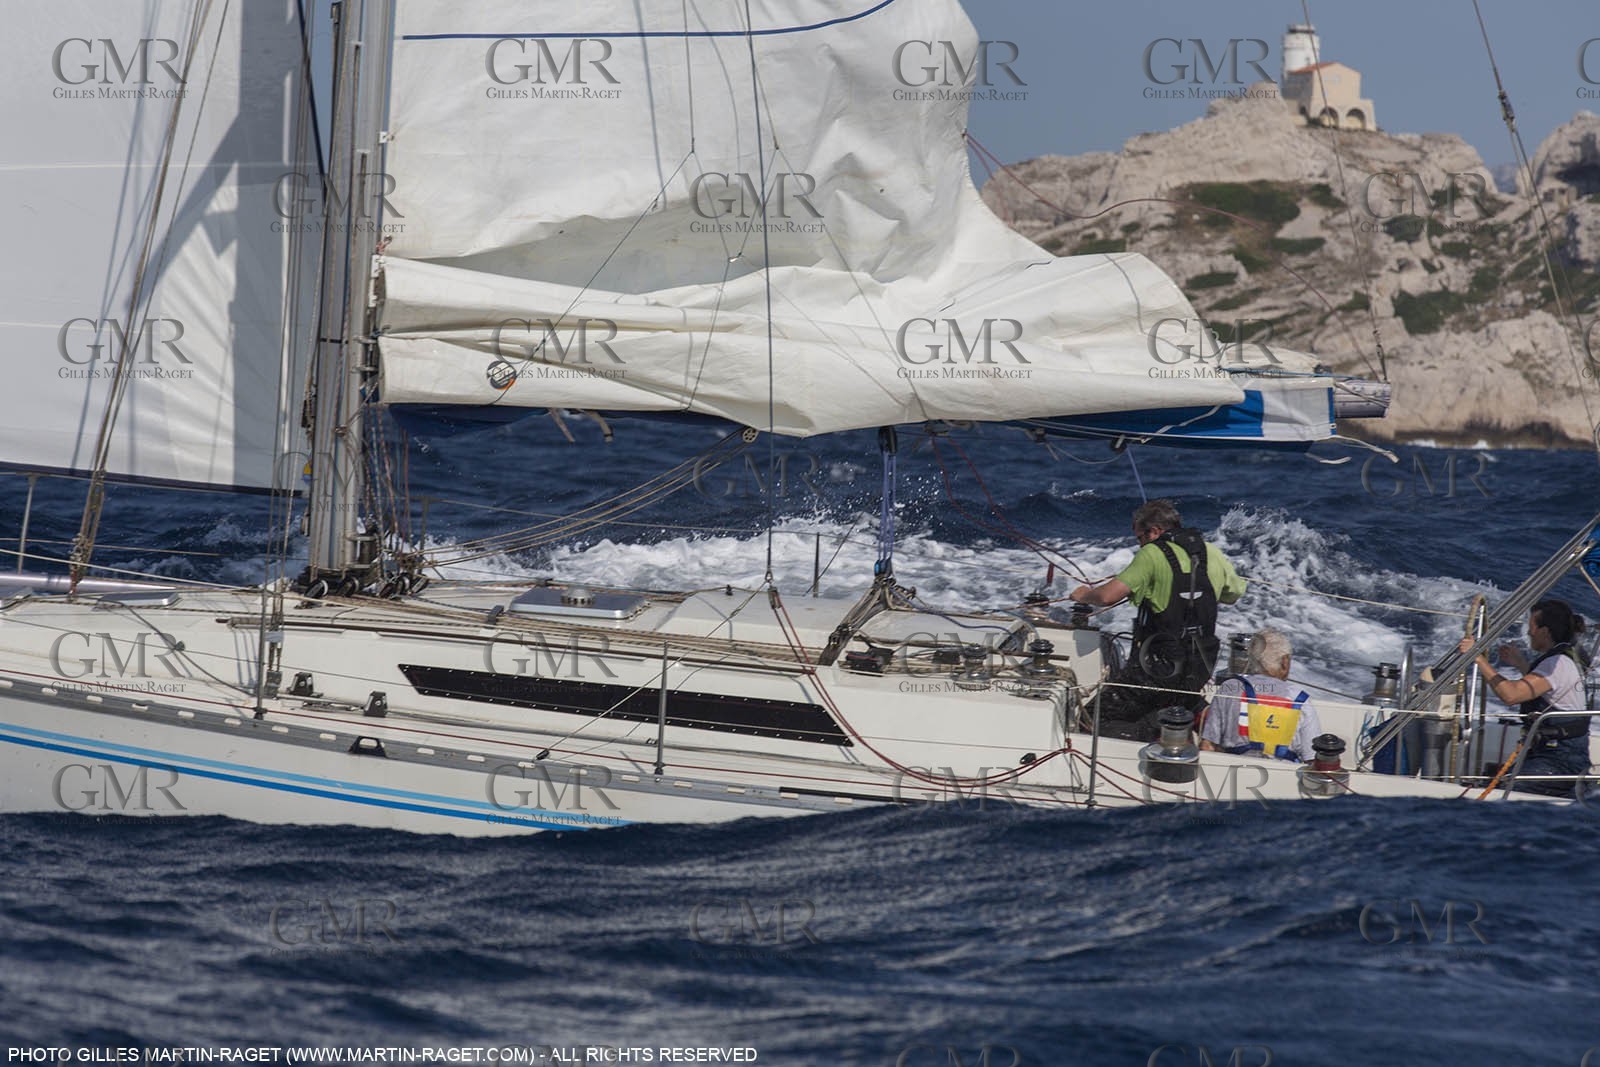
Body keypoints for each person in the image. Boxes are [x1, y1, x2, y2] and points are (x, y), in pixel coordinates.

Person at [1070, 499, 1247, 741]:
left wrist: (1083, 594)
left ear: (1154, 531)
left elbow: (1107, 596)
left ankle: (1158, 735)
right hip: (1199, 666)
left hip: (1157, 669)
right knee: (1175, 697)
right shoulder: (1210, 552)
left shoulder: (1152, 553)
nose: (1140, 544)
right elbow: (1234, 594)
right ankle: (1197, 716)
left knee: (1089, 719)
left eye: (1139, 538)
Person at [1458, 598, 1592, 796]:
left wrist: (1477, 657)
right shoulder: (1568, 657)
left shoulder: (1557, 663)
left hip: (1559, 760)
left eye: (1531, 627)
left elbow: (1511, 695)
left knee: (1502, 792)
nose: (1529, 632)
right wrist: (1519, 663)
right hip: (1565, 755)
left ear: (1544, 631)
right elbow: (1550, 687)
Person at [1200, 628, 1322, 761]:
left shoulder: (1230, 689)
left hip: (1233, 771)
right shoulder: (1300, 699)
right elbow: (1312, 758)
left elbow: (1207, 747)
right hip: (1283, 776)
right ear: (1285, 662)